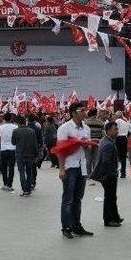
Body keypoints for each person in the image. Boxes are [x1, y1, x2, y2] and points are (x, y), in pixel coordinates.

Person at [57, 102, 94, 238]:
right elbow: (60, 150)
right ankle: (66, 227)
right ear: (73, 113)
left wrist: (85, 144)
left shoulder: (86, 128)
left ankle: (76, 226)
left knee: (78, 198)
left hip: (82, 166)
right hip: (69, 166)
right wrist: (61, 169)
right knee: (68, 198)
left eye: (85, 110)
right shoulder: (64, 128)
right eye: (82, 110)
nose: (85, 112)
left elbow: (88, 148)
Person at [89, 121, 122, 227]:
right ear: (108, 131)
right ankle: (109, 220)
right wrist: (111, 174)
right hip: (108, 174)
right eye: (115, 129)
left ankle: (115, 216)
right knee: (109, 197)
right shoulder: (108, 144)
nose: (117, 131)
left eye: (117, 129)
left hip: (108, 174)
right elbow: (106, 161)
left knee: (112, 196)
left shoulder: (106, 140)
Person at [11, 115, 38, 197]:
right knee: (29, 172)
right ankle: (29, 188)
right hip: (30, 154)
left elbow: (13, 142)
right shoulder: (31, 131)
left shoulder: (15, 131)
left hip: (20, 154)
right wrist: (36, 154)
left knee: (22, 172)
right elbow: (35, 144)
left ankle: (25, 189)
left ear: (18, 122)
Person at [0, 113, 18, 192]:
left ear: (4, 119)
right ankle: (10, 184)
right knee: (11, 167)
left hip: (3, 149)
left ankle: (5, 183)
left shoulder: (0, 127)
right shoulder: (15, 127)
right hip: (12, 149)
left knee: (4, 167)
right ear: (11, 118)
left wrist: (1, 143)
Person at [85, 108, 104, 185]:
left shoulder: (86, 122)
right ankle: (95, 174)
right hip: (98, 142)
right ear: (96, 114)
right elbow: (103, 133)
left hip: (89, 142)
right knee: (96, 159)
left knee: (88, 158)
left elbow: (85, 133)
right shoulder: (100, 122)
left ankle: (88, 174)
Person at [115, 111, 131, 178]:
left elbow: (115, 129)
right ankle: (123, 173)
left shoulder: (117, 121)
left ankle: (116, 172)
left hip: (118, 138)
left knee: (116, 156)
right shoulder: (126, 121)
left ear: (118, 115)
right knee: (123, 156)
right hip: (125, 138)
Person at [27, 114, 43, 188]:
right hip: (35, 149)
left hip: (26, 149)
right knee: (33, 166)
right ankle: (33, 181)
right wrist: (41, 149)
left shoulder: (26, 128)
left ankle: (29, 181)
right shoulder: (37, 128)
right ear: (34, 120)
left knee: (27, 166)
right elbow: (40, 140)